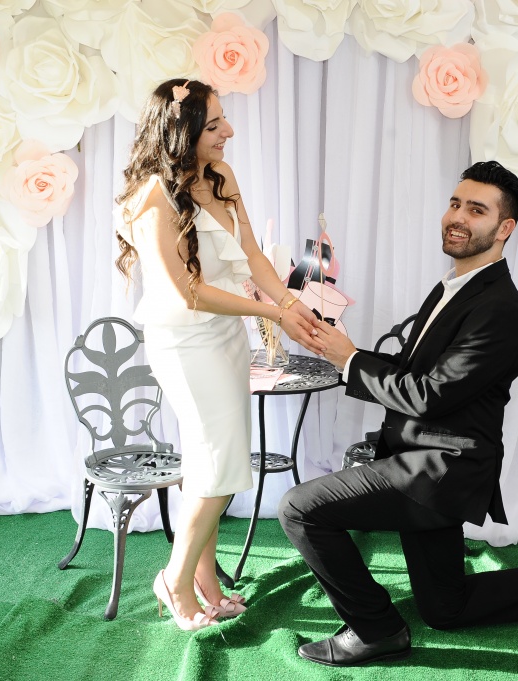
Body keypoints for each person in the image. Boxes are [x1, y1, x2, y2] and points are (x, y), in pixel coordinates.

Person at [279, 161, 518, 666]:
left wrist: (349, 360)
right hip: (422, 459)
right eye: (455, 203)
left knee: (299, 508)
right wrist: (345, 353)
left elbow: (429, 397)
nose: (458, 216)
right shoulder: (454, 286)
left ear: (505, 229)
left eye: (477, 210)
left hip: (442, 471)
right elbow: (411, 370)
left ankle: (376, 630)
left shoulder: (499, 307)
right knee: (446, 607)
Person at [113, 79, 324, 631]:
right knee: (221, 463)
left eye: (224, 119)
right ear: (180, 132)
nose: (228, 130)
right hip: (185, 344)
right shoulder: (151, 199)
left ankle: (205, 579)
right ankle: (175, 579)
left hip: (227, 337)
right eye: (213, 125)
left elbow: (251, 254)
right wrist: (270, 313)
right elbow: (189, 292)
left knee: (211, 462)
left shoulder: (221, 176)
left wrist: (289, 303)